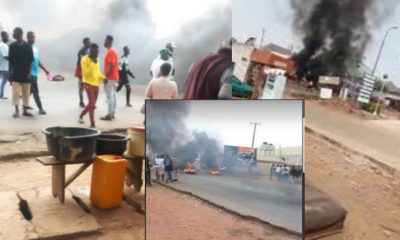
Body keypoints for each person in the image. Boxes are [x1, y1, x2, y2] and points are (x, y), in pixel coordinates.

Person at [8, 27, 34, 118]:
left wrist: (29, 72)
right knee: (15, 93)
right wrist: (9, 73)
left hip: (26, 74)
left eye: (14, 33)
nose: (13, 34)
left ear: (20, 33)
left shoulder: (28, 46)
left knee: (26, 93)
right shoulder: (12, 46)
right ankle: (16, 111)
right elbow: (10, 61)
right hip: (15, 74)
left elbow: (31, 60)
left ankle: (25, 111)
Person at [79, 43, 106, 128]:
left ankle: (81, 115)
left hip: (96, 84)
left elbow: (97, 72)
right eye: (95, 52)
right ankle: (92, 124)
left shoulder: (97, 59)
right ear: (90, 51)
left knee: (91, 104)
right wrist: (92, 63)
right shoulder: (84, 59)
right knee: (92, 104)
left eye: (98, 52)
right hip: (87, 83)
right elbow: (86, 73)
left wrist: (104, 78)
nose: (97, 54)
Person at [27, 31, 50, 115]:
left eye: (34, 37)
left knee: (30, 91)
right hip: (30, 74)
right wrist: (27, 72)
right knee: (35, 91)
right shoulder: (26, 47)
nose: (32, 38)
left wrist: (45, 70)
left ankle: (24, 105)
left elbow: (37, 60)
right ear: (27, 38)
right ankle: (40, 108)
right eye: (31, 37)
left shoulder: (35, 48)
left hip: (35, 73)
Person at [101, 35, 119, 121]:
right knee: (113, 96)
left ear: (109, 41)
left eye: (105, 40)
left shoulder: (110, 51)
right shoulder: (112, 51)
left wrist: (105, 76)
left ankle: (109, 115)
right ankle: (112, 113)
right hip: (114, 77)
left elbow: (112, 64)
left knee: (110, 97)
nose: (104, 42)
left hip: (110, 78)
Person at [75, 37, 91, 107]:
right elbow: (82, 62)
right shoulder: (82, 51)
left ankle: (90, 102)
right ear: (85, 43)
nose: (90, 43)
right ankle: (81, 102)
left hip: (87, 71)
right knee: (81, 86)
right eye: (89, 42)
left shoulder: (87, 50)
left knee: (89, 87)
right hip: (82, 71)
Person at [0, 31, 9, 99]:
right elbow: (6, 56)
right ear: (2, 37)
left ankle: (1, 94)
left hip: (6, 66)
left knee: (5, 80)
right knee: (5, 80)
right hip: (5, 67)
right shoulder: (2, 45)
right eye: (6, 36)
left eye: (7, 36)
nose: (7, 37)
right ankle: (1, 94)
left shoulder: (5, 45)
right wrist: (14, 61)